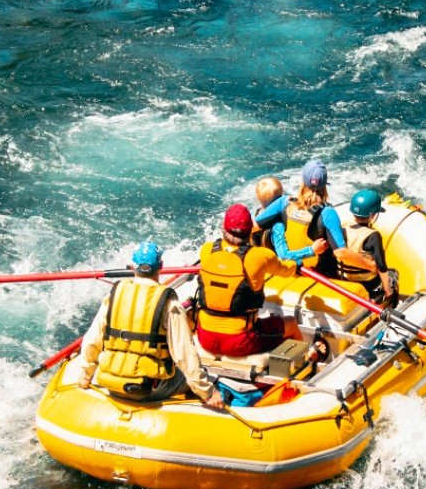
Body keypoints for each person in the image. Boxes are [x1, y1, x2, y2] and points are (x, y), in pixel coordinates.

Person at [78, 241, 224, 409]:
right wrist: (208, 392)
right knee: (196, 375)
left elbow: (91, 341)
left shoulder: (114, 294)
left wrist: (85, 377)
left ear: (132, 266)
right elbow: (184, 352)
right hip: (146, 389)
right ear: (160, 266)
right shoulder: (168, 301)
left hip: (111, 383)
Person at [195, 204, 300, 358]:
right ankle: (302, 365)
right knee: (290, 324)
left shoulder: (207, 250)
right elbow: (286, 270)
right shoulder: (260, 256)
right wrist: (297, 264)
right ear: (251, 230)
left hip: (205, 337)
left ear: (224, 228)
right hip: (240, 341)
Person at [253, 158, 378, 281]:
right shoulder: (328, 213)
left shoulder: (283, 202)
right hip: (320, 274)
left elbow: (254, 227)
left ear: (303, 182)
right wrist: (371, 265)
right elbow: (341, 254)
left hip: (291, 267)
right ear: (324, 185)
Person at [338, 189, 400, 306]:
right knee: (393, 274)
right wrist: (388, 290)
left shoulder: (342, 228)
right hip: (367, 282)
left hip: (345, 278)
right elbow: (381, 266)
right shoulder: (373, 235)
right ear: (372, 216)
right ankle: (391, 303)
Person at [253, 174, 330, 265]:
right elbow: (284, 256)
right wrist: (312, 250)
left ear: (258, 198)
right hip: (285, 265)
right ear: (282, 193)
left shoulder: (257, 215)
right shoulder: (278, 225)